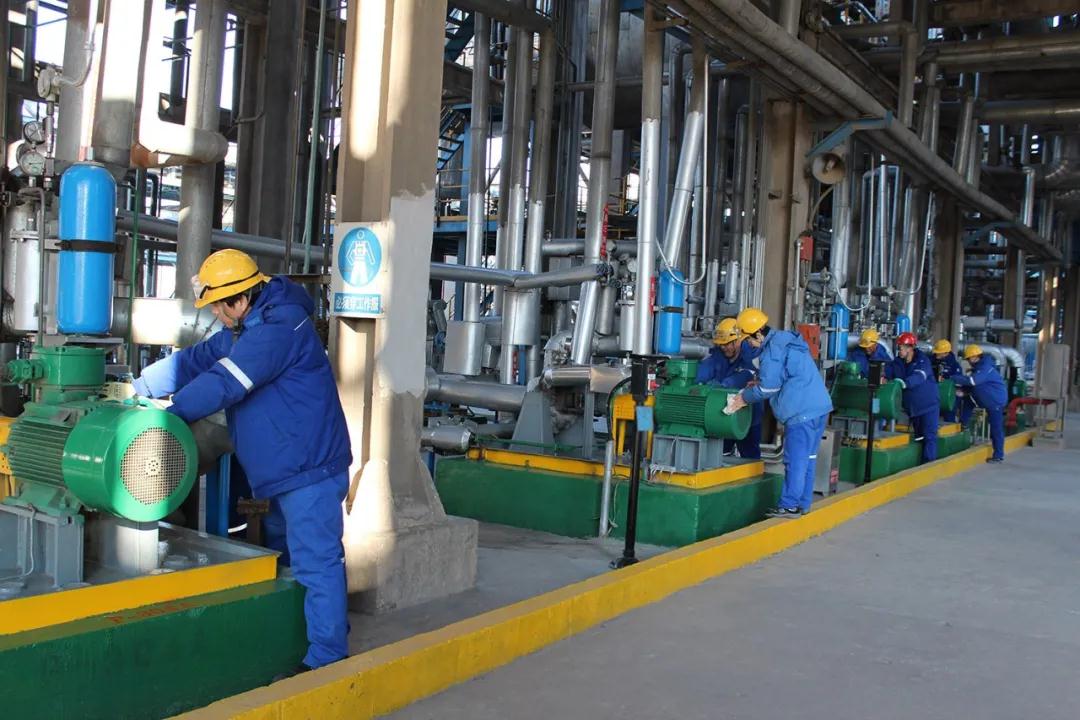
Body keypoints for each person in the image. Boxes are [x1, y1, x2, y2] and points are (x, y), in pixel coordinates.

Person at [133, 249, 352, 673]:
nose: (215, 314)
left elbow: (226, 382)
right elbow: (196, 360)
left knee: (316, 561)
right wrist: (138, 387)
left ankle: (328, 660)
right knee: (288, 558)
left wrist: (170, 416)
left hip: (309, 468)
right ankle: (299, 638)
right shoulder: (246, 327)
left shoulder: (278, 329)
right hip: (286, 470)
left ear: (240, 299)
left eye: (218, 306)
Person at [728, 308, 833, 518]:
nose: (748, 344)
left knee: (795, 460)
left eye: (748, 339)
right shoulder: (784, 340)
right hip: (819, 408)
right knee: (808, 459)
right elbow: (784, 375)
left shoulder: (771, 350)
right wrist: (759, 381)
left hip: (801, 413)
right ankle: (803, 503)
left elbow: (769, 388)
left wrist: (743, 398)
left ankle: (789, 505)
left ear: (758, 334)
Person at [697, 318, 762, 459]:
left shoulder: (750, 357)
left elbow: (745, 376)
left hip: (748, 416)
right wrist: (695, 384)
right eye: (721, 344)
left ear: (738, 340)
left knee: (749, 458)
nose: (724, 348)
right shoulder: (717, 357)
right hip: (721, 415)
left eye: (727, 344)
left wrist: (722, 385)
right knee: (719, 456)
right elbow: (702, 373)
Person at [950, 344, 1008, 463]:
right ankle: (963, 425)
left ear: (975, 357)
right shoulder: (978, 368)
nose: (968, 361)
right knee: (968, 401)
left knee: (996, 429)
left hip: (995, 401)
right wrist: (963, 391)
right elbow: (976, 385)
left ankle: (998, 455)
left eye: (969, 359)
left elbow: (973, 381)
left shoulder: (985, 367)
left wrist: (954, 378)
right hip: (985, 398)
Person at [889, 332, 940, 463]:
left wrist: (905, 383)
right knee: (919, 438)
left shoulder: (922, 361)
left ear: (910, 348)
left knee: (929, 437)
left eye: (901, 347)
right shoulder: (897, 362)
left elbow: (920, 376)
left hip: (928, 406)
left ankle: (929, 466)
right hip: (913, 409)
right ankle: (921, 464)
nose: (899, 350)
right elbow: (888, 372)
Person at [931, 339, 965, 422]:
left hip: (949, 396)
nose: (937, 354)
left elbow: (959, 383)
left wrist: (947, 380)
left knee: (949, 417)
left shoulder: (954, 366)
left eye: (939, 352)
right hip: (934, 394)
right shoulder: (931, 360)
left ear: (946, 353)